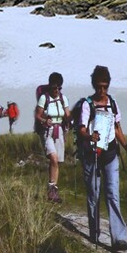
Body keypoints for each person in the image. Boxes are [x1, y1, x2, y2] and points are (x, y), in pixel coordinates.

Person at [75, 66, 127, 249]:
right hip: (91, 154)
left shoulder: (113, 103)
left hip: (110, 154)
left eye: (105, 86)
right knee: (93, 195)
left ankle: (118, 238)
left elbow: (117, 128)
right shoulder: (87, 104)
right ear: (94, 85)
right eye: (99, 86)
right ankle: (94, 234)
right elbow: (82, 129)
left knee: (113, 195)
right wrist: (88, 136)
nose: (102, 90)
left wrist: (126, 145)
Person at [35, 72, 70, 203]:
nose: (57, 90)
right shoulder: (44, 98)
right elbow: (38, 115)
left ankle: (53, 191)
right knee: (54, 158)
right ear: (50, 86)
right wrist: (44, 120)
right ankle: (51, 189)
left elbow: (66, 114)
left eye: (59, 88)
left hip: (59, 131)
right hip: (47, 131)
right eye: (55, 88)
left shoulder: (63, 99)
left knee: (56, 162)